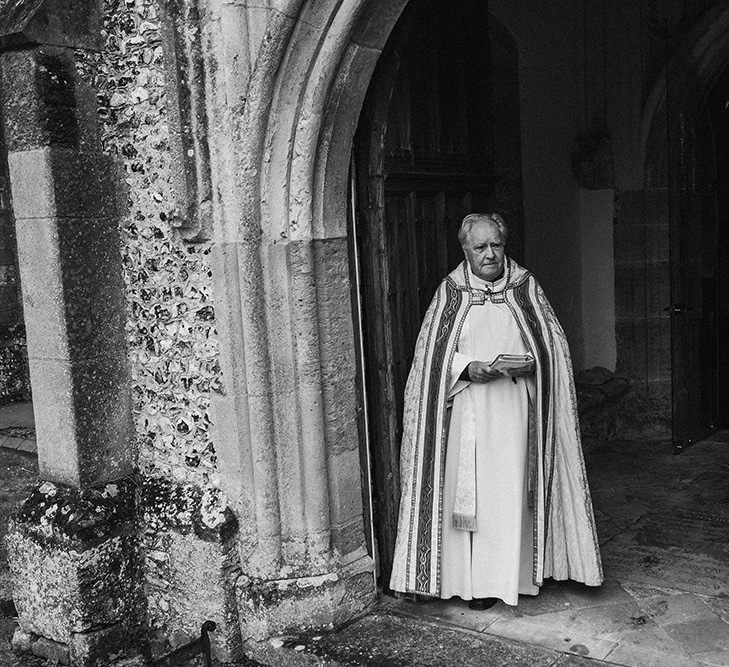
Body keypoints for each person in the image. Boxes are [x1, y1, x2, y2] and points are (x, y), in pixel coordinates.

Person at [389, 213, 603, 609]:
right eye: (480, 248)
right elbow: (431, 359)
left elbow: (552, 346)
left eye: (496, 246)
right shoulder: (451, 293)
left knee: (509, 497)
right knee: (472, 502)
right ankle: (470, 584)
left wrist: (530, 362)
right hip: (467, 414)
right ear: (465, 251)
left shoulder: (525, 288)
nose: (490, 255)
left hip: (515, 413)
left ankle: (510, 578)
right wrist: (468, 368)